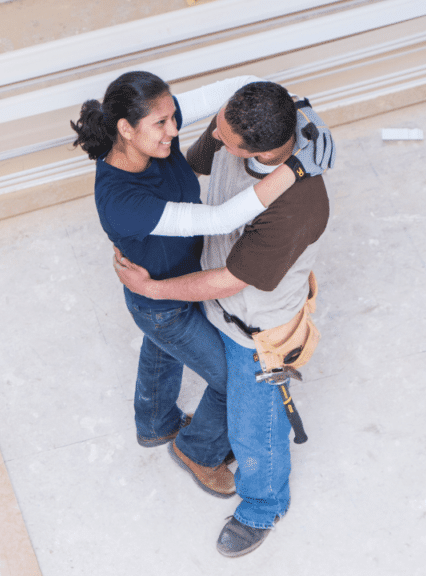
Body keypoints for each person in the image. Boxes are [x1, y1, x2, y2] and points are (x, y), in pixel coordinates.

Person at [70, 72, 325, 499]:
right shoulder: (123, 202)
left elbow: (244, 85)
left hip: (178, 280)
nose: (175, 130)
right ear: (125, 129)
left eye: (174, 116)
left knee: (160, 350)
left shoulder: (152, 132)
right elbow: (222, 219)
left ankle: (155, 425)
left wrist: (299, 116)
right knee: (231, 382)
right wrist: (296, 167)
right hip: (162, 302)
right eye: (163, 123)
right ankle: (197, 450)